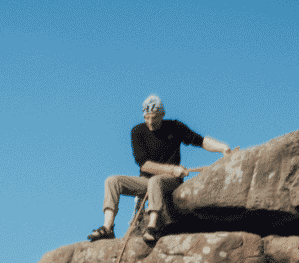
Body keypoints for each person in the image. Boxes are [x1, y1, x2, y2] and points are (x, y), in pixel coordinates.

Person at [87, 94, 236, 246]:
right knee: (112, 181)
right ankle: (107, 227)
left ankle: (152, 227)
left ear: (162, 115)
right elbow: (143, 164)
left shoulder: (175, 127)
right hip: (148, 180)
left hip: (169, 182)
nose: (150, 122)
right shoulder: (137, 132)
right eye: (147, 118)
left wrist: (222, 148)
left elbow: (200, 141)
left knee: (155, 181)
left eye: (154, 118)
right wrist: (172, 169)